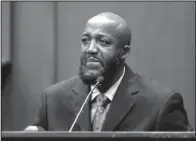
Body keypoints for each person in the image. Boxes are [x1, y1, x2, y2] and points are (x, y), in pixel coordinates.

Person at [25, 12, 192, 131]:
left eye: (103, 42)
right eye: (85, 40)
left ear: (124, 52)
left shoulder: (160, 103)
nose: (90, 49)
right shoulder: (54, 99)